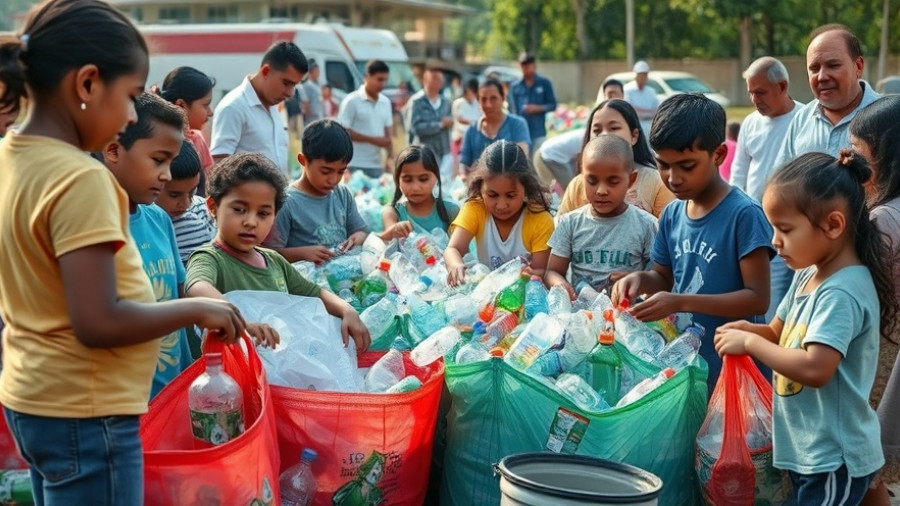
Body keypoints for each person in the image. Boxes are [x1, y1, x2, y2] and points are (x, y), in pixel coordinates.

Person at [0, 1, 245, 503]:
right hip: (88, 414)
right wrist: (199, 307)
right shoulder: (80, 178)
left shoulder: (14, 157)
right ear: (88, 84)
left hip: (37, 396)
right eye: (131, 96)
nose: (133, 114)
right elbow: (97, 320)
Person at [714, 152, 893, 505]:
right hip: (812, 447)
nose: (775, 241)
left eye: (785, 229)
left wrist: (750, 344)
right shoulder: (808, 274)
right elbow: (779, 333)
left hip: (832, 455)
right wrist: (749, 331)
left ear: (833, 225)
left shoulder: (841, 292)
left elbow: (816, 367)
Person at [611, 93, 774, 392]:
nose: (673, 178)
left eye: (686, 166)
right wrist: (637, 280)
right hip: (687, 362)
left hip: (733, 366)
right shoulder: (673, 213)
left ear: (719, 155)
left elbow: (757, 297)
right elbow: (663, 277)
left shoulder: (743, 215)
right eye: (663, 165)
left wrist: (680, 301)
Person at [186, 153, 371, 352]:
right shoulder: (210, 258)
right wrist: (241, 322)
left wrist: (347, 310)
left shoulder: (274, 261)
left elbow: (313, 292)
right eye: (239, 209)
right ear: (213, 207)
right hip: (236, 368)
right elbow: (197, 288)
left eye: (263, 213)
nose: (251, 222)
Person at [101, 92, 195, 397]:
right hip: (123, 405)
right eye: (158, 160)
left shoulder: (159, 219)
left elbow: (178, 298)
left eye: (170, 162)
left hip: (172, 394)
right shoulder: (91, 227)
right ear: (113, 150)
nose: (166, 175)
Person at [849, 96, 900, 505]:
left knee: (869, 468)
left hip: (883, 360)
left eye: (859, 156)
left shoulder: (883, 222)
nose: (850, 165)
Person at [730, 56, 802, 323]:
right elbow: (738, 174)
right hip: (756, 227)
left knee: (791, 298)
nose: (754, 99)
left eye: (760, 92)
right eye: (750, 93)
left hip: (792, 227)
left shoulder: (805, 118)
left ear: (782, 86)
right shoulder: (750, 123)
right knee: (765, 299)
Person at [545, 135, 657, 298]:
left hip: (627, 315)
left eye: (613, 181)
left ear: (631, 180)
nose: (601, 191)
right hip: (584, 315)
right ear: (582, 179)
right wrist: (561, 284)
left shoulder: (646, 225)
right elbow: (552, 271)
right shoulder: (570, 223)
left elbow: (659, 277)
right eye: (592, 181)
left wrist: (637, 280)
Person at [445, 140, 554, 282]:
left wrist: (531, 275)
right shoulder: (476, 209)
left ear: (526, 188)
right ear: (480, 188)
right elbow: (453, 249)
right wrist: (456, 265)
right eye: (492, 195)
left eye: (510, 195)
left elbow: (541, 270)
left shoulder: (540, 219)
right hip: (487, 291)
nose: (501, 205)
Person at [774, 24, 880, 169]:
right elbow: (782, 181)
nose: (822, 77)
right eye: (814, 69)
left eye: (833, 65)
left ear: (858, 66)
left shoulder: (889, 118)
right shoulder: (802, 120)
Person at [266, 119, 369, 264]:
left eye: (340, 172)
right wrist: (303, 253)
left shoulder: (342, 194)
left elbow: (361, 231)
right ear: (303, 160)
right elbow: (269, 254)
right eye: (326, 171)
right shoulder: (286, 202)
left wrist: (356, 238)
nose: (333, 179)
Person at [558, 99, 674, 218]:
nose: (604, 135)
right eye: (597, 130)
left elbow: (667, 232)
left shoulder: (657, 182)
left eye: (613, 128)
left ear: (634, 136)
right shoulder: (577, 184)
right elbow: (560, 228)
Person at [211, 41, 308, 176]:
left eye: (294, 86)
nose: (290, 93)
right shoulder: (233, 107)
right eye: (286, 83)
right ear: (265, 71)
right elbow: (220, 166)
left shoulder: (273, 105)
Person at [156, 140, 217, 266]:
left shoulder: (203, 209)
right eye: (174, 195)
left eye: (192, 192)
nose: (185, 203)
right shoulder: (147, 221)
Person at [382, 146, 460, 239]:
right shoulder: (393, 213)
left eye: (423, 179)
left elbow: (460, 249)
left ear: (436, 178)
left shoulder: (450, 211)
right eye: (408, 180)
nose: (415, 187)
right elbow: (387, 241)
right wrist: (394, 230)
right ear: (398, 181)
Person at [458, 79, 530, 178]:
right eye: (483, 99)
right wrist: (464, 177)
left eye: (493, 98)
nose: (488, 104)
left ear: (503, 98)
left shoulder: (517, 124)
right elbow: (464, 163)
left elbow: (522, 158)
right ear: (478, 101)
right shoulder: (471, 131)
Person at [337, 59, 394, 179]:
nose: (382, 84)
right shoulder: (352, 101)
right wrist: (373, 140)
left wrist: (390, 157)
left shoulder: (385, 102)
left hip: (377, 166)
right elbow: (342, 132)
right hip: (354, 164)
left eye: (385, 80)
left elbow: (388, 134)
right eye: (379, 79)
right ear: (367, 77)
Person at [155, 66, 216, 177]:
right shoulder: (155, 141)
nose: (210, 113)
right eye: (206, 105)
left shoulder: (197, 139)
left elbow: (209, 182)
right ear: (181, 105)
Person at [509, 52, 557, 154]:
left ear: (534, 65)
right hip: (520, 132)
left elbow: (553, 105)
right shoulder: (515, 86)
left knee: (538, 161)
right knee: (522, 164)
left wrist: (538, 108)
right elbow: (512, 110)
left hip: (538, 131)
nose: (525, 68)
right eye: (523, 65)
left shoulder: (544, 83)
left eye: (528, 64)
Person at [409, 67, 453, 177]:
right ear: (425, 80)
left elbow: (450, 123)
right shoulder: (417, 101)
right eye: (434, 78)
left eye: (440, 79)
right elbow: (415, 128)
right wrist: (439, 125)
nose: (438, 82)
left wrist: (450, 123)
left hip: (443, 152)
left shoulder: (445, 102)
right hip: (424, 154)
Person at [624, 60, 659, 136]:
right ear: (636, 75)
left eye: (645, 74)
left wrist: (641, 110)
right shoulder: (627, 89)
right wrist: (648, 111)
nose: (643, 77)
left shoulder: (651, 91)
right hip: (634, 126)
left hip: (650, 126)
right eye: (641, 74)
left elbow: (656, 110)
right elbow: (630, 110)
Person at [451, 78, 481, 165]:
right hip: (460, 137)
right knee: (459, 163)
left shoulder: (477, 103)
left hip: (475, 137)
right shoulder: (458, 102)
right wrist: (473, 123)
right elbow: (459, 119)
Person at [301, 58, 323, 125]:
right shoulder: (306, 86)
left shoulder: (318, 85)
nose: (318, 74)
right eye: (316, 72)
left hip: (319, 117)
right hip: (311, 119)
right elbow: (305, 104)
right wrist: (310, 116)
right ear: (311, 72)